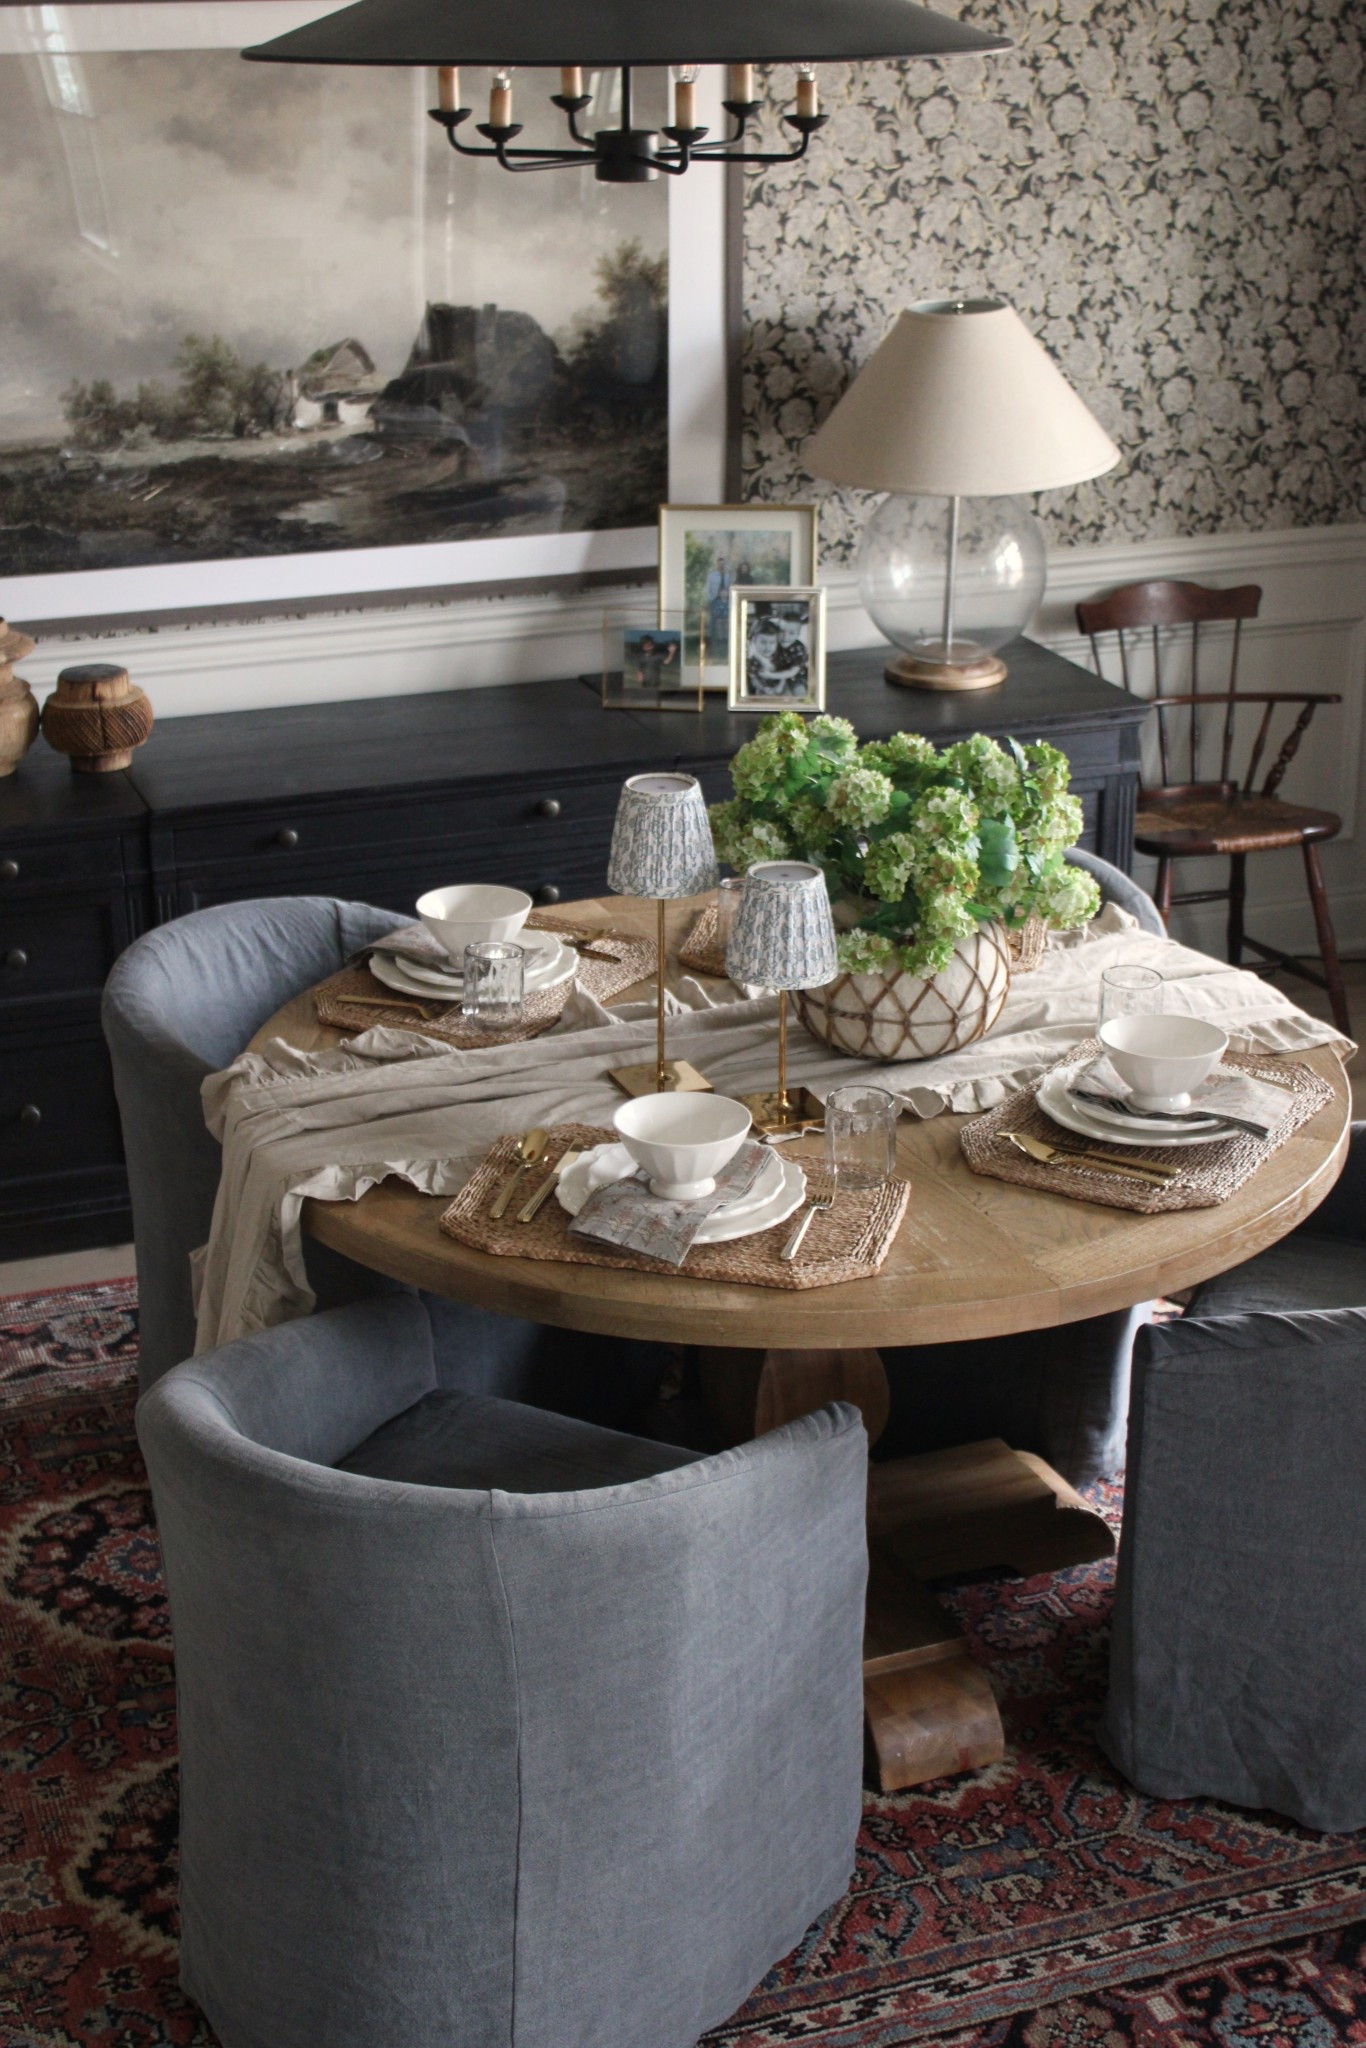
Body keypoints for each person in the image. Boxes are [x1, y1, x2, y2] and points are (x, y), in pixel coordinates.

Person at [704, 553, 732, 652]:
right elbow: (707, 588)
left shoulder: (728, 576)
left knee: (724, 622)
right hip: (714, 600)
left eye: (723, 564)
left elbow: (729, 588)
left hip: (724, 601)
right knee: (713, 621)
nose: (721, 565)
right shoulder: (712, 576)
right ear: (717, 564)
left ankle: (724, 640)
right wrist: (710, 599)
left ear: (725, 564)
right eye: (720, 564)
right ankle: (712, 642)